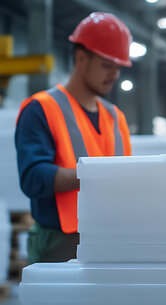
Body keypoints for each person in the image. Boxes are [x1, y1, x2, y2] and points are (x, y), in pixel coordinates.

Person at [15, 12, 133, 264]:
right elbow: (33, 177)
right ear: (81, 58)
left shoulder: (116, 117)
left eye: (118, 67)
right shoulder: (40, 109)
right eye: (106, 65)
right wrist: (91, 175)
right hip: (59, 242)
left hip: (111, 238)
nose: (114, 74)